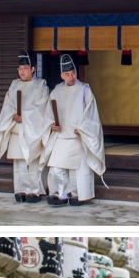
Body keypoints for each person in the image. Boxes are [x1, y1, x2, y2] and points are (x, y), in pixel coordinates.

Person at [40, 54, 105, 206]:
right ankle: (60, 194)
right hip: (61, 136)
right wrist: (51, 125)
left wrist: (83, 129)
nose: (71, 77)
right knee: (57, 168)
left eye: (73, 73)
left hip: (78, 136)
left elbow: (91, 114)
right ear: (62, 75)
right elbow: (48, 113)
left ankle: (77, 195)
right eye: (67, 74)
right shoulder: (56, 91)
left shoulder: (84, 90)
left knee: (78, 171)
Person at [0, 50, 50, 202]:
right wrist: (13, 116)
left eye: (25, 69)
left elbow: (41, 107)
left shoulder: (41, 85)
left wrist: (24, 116)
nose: (22, 72)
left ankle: (35, 191)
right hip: (17, 129)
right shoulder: (14, 85)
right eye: (20, 69)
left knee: (32, 161)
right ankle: (20, 189)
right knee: (19, 163)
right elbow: (8, 105)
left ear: (32, 69)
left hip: (33, 130)